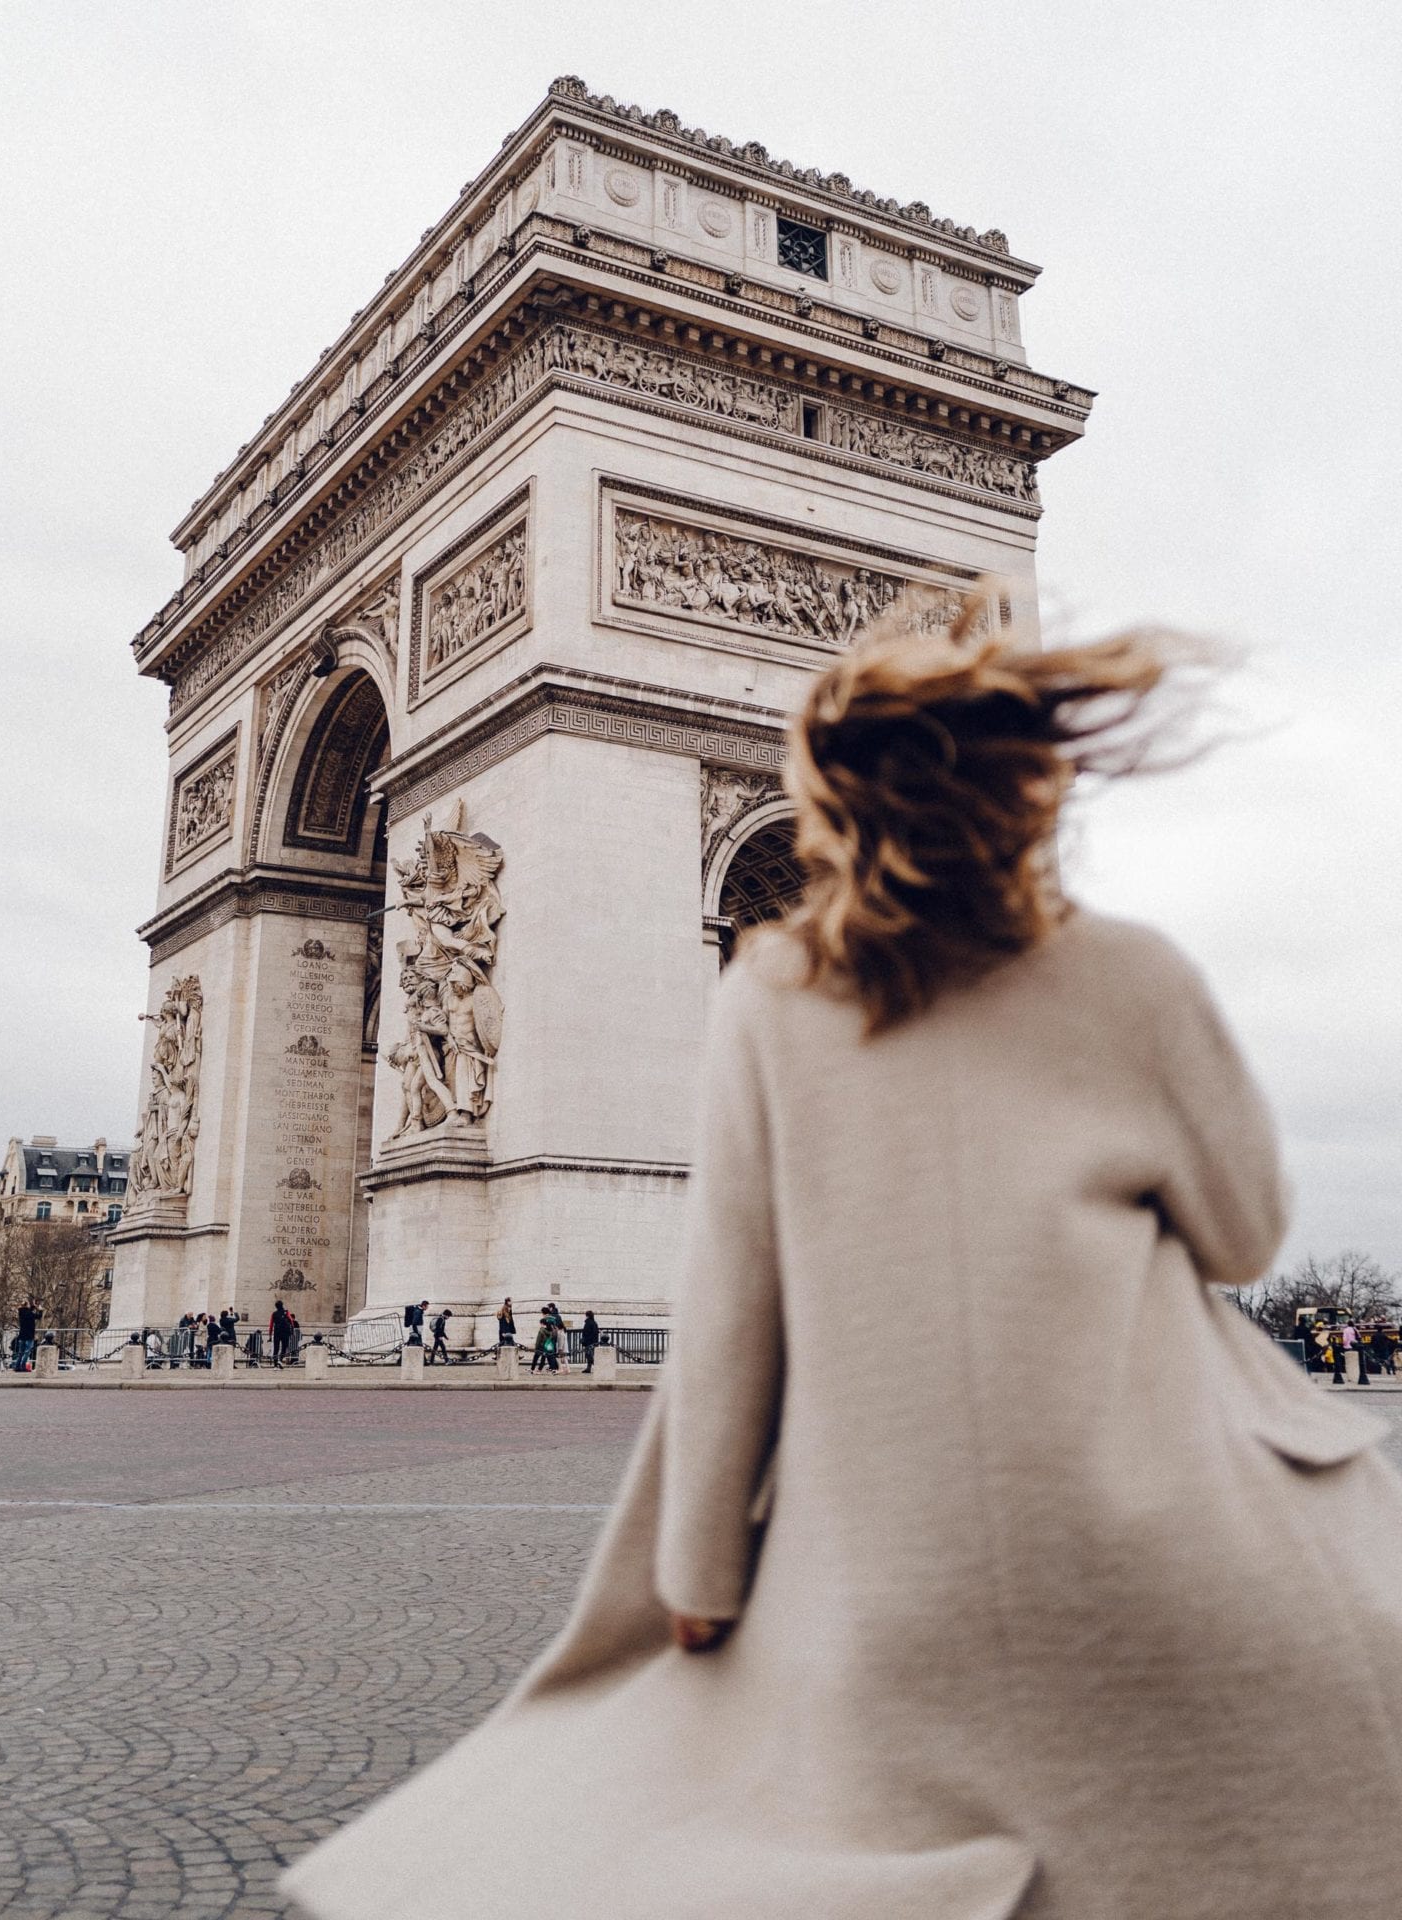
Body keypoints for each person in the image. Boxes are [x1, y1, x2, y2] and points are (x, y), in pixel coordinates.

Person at [285, 607, 1402, 1920]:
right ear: (1025, 789)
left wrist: (696, 1575)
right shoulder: (1134, 973)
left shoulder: (774, 992)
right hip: (1167, 1545)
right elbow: (1245, 1233)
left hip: (887, 1581)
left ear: (829, 805)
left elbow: (729, 1317)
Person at [14, 1298, 41, 1371]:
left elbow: (29, 1311)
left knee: (21, 1352)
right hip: (29, 1334)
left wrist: (33, 1306)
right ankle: (23, 1366)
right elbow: (39, 1316)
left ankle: (17, 1366)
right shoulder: (30, 1313)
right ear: (27, 1305)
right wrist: (40, 1309)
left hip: (22, 1334)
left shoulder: (21, 1312)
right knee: (27, 1352)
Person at [269, 1299, 293, 1369]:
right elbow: (291, 1321)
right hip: (285, 1332)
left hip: (277, 1332)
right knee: (284, 1347)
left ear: (276, 1306)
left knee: (276, 1348)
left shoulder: (274, 1314)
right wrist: (292, 1331)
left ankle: (275, 1365)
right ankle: (280, 1359)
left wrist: (270, 1335)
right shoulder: (286, 1312)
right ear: (282, 1305)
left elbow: (271, 1325)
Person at [581, 1310, 601, 1375]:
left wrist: (584, 1340)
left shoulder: (588, 1323)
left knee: (589, 1355)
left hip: (589, 1342)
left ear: (587, 1316)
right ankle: (588, 1368)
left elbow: (586, 1333)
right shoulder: (594, 1323)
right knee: (590, 1355)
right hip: (594, 1342)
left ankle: (597, 1366)